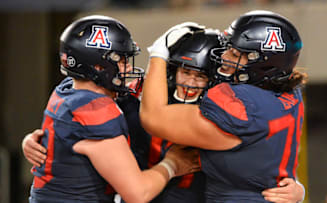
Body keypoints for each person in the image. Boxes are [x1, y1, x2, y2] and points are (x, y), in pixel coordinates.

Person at [23, 27, 305, 203]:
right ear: (171, 71)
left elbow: (267, 157)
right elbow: (77, 106)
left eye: (201, 76)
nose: (191, 83)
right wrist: (41, 139)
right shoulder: (131, 96)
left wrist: (295, 189)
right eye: (186, 71)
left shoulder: (230, 108)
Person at [26, 15, 200, 203]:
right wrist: (172, 164)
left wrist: (31, 141)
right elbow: (138, 194)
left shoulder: (66, 88)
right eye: (123, 61)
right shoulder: (96, 109)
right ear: (99, 66)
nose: (128, 68)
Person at [141, 10, 307, 202]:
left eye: (235, 53)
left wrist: (159, 53)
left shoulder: (238, 103)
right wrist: (296, 186)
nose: (225, 56)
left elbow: (152, 117)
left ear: (263, 65)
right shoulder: (290, 92)